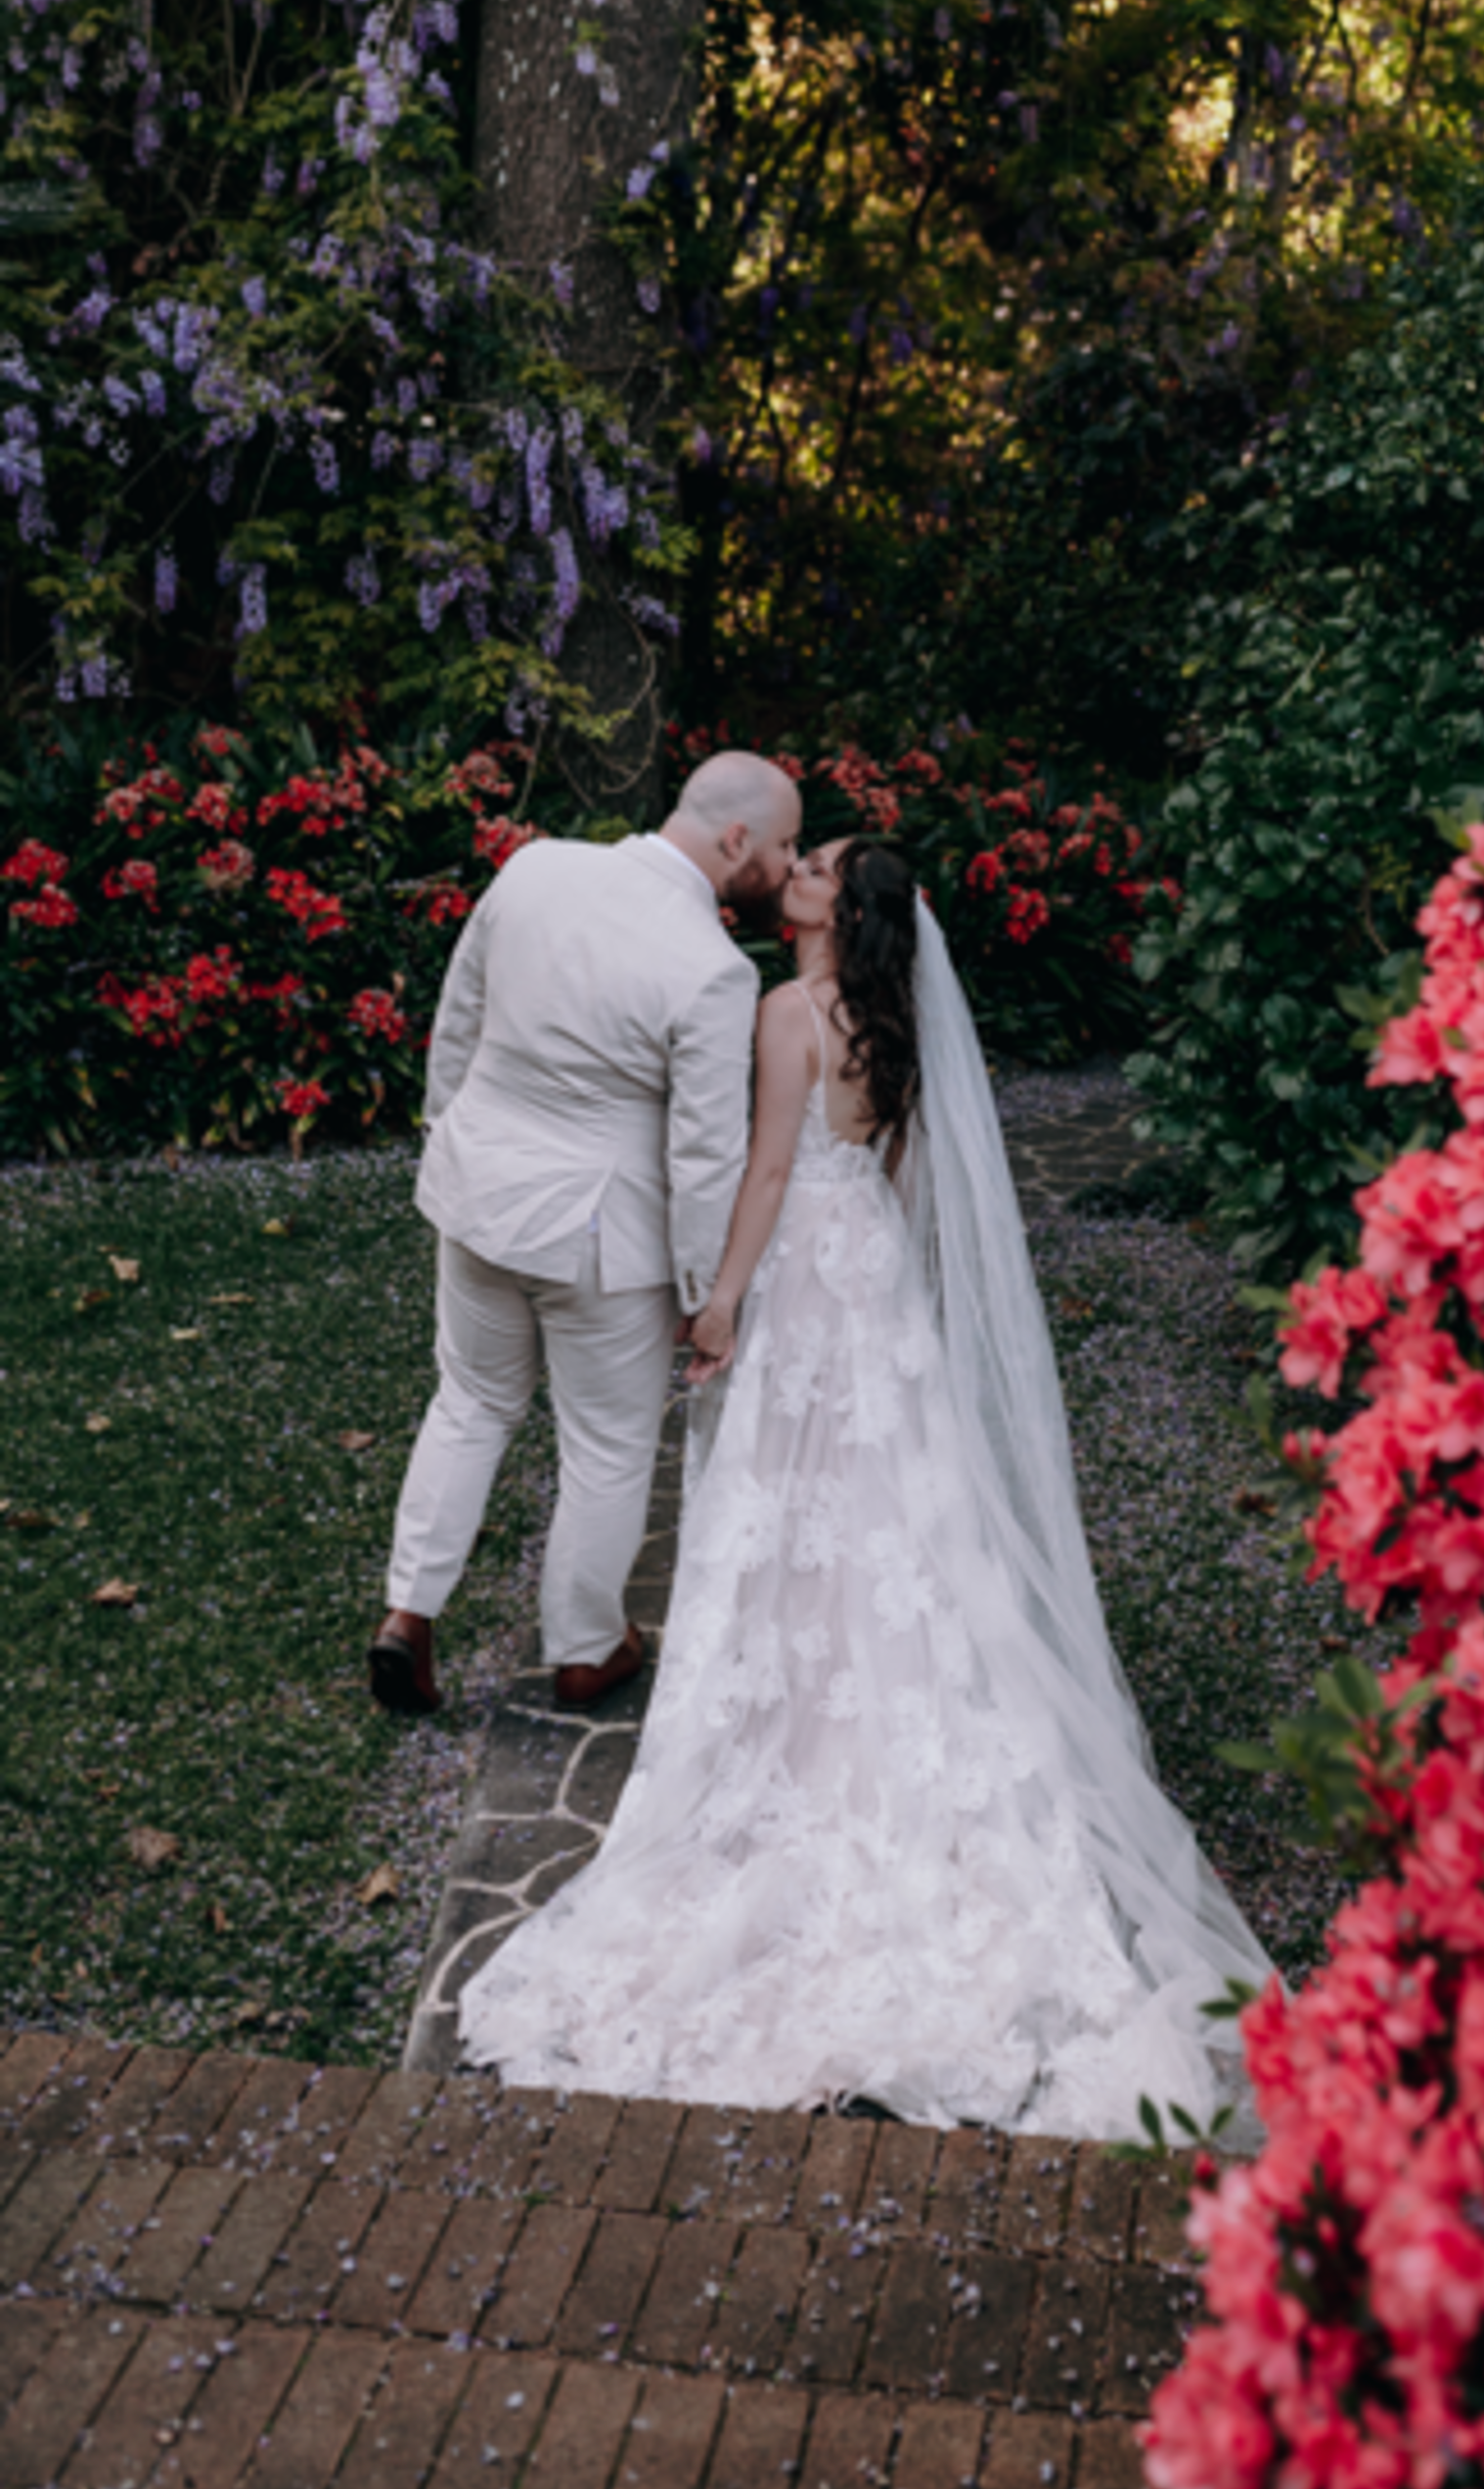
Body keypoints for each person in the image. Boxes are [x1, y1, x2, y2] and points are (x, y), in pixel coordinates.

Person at [456, 836, 1274, 2140]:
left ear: (847, 908)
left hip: (800, 1270)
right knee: (892, 1503)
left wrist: (720, 1299)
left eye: (823, 865)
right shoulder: (890, 1022)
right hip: (872, 1271)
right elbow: (893, 1174)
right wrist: (871, 1272)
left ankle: (788, 1728)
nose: (801, 871)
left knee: (786, 1500)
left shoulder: (787, 1009)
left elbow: (767, 1170)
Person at [368, 751, 803, 1721]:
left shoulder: (535, 868)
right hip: (600, 1242)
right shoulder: (714, 970)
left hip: (480, 1194)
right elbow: (702, 1158)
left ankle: (409, 1616)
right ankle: (584, 1649)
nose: (787, 865)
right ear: (736, 839)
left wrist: (451, 1134)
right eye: (782, 847)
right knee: (604, 1447)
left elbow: (461, 1013)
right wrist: (704, 1296)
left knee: (471, 1402)